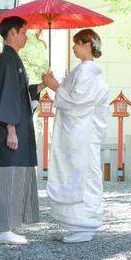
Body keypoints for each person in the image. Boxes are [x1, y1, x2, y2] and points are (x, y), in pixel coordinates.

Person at [0, 16, 44, 245]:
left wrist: (42, 86)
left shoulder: (12, 59)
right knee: (5, 174)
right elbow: (7, 97)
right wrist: (11, 129)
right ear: (13, 32)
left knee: (12, 173)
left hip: (12, 127)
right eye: (24, 32)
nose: (26, 36)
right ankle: (1, 228)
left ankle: (5, 225)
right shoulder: (7, 60)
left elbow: (20, 93)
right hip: (7, 131)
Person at [43, 28, 109, 243]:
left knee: (83, 177)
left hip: (82, 136)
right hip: (78, 136)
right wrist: (58, 85)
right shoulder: (82, 72)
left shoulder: (86, 73)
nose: (73, 47)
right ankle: (76, 225)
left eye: (77, 43)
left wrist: (55, 87)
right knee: (78, 176)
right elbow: (74, 97)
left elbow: (77, 103)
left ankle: (85, 225)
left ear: (87, 45)